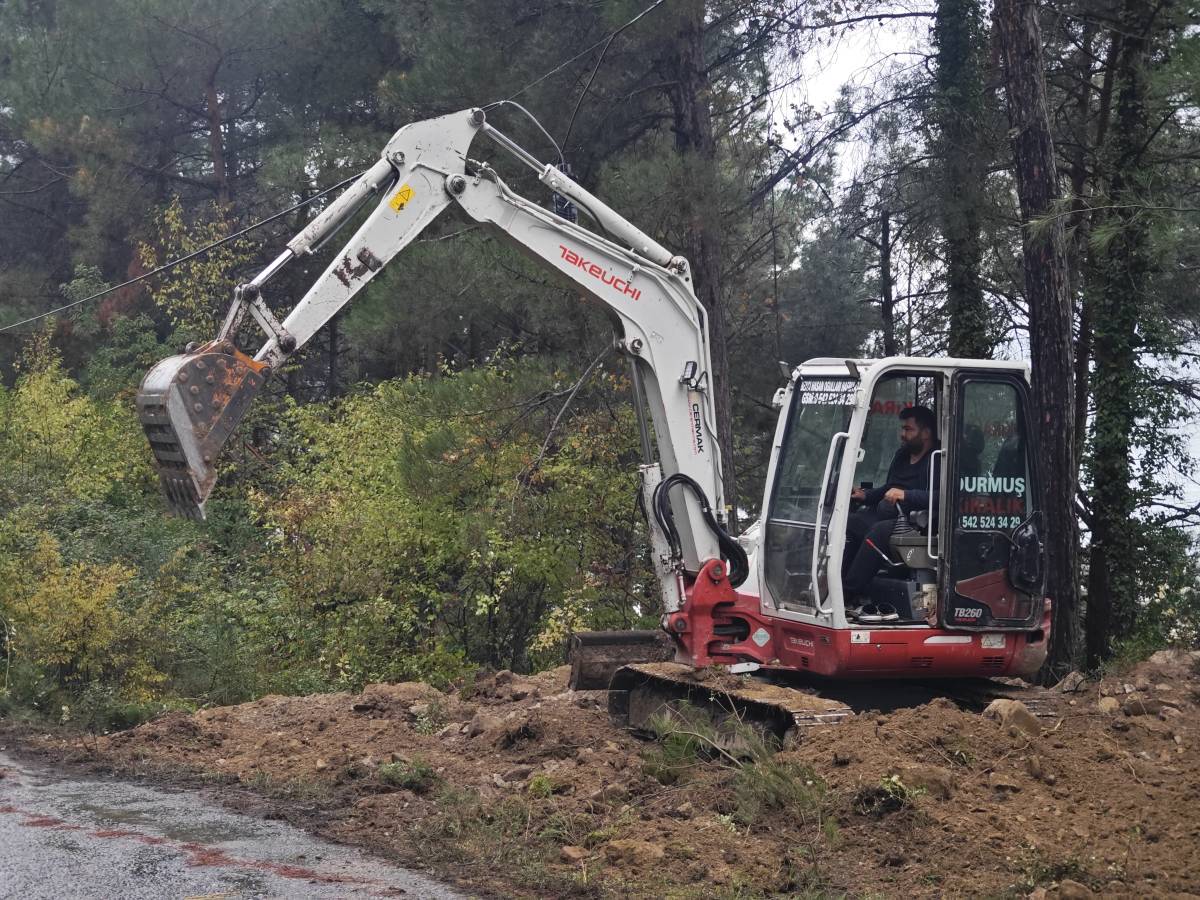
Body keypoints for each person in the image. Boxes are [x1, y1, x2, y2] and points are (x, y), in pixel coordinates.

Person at [842, 405, 939, 608]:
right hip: (888, 513)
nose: (903, 434)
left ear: (926, 433)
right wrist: (865, 495)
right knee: (850, 523)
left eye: (908, 429)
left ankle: (847, 593)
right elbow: (889, 487)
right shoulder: (902, 455)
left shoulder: (939, 458)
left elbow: (943, 497)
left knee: (878, 533)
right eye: (902, 428)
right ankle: (835, 583)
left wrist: (906, 495)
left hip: (918, 523)